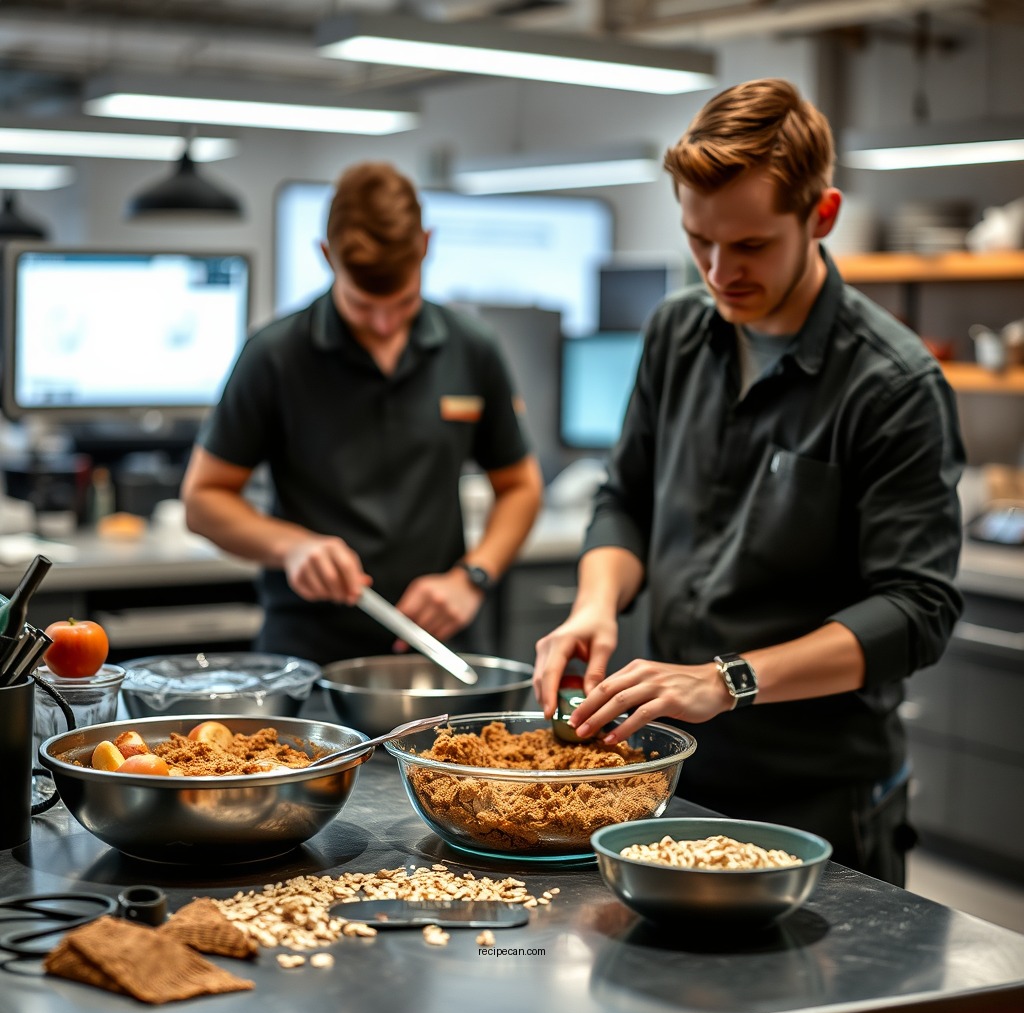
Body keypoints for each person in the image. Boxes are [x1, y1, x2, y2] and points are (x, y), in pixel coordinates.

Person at [532, 78, 965, 885]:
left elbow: (917, 612)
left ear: (821, 217)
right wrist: (596, 604)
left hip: (814, 794)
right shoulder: (676, 332)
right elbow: (624, 498)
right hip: (667, 770)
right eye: (700, 241)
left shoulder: (891, 385)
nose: (720, 271)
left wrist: (728, 681)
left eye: (753, 245)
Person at [181, 161, 543, 665]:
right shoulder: (276, 355)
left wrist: (473, 575)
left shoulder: (472, 348)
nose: (383, 323)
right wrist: (290, 547)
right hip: (309, 657)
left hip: (439, 650)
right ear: (326, 256)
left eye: (401, 303)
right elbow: (203, 499)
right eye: (363, 304)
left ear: (426, 246)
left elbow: (520, 486)